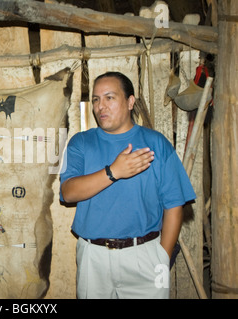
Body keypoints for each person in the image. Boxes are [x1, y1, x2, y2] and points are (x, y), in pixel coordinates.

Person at [60, 71, 196, 299]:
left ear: (130, 101)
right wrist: (114, 172)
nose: (100, 106)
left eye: (109, 98)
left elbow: (174, 204)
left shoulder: (156, 144)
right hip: (94, 256)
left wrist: (163, 256)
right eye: (95, 99)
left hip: (145, 254)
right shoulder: (81, 143)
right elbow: (68, 193)